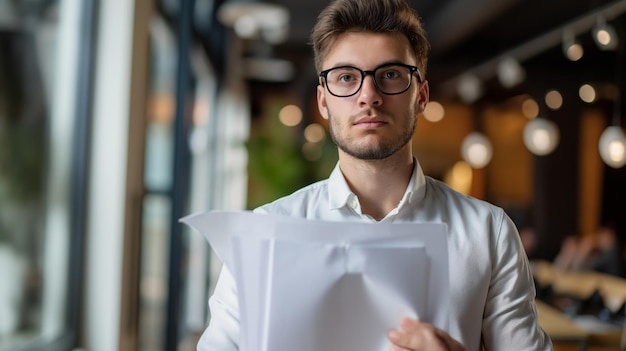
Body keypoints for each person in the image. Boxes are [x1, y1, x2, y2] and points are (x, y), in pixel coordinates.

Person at [198, 0, 552, 350]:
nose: (369, 95)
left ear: (422, 96)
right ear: (323, 101)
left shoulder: (488, 232)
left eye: (391, 75)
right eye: (347, 77)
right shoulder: (266, 233)